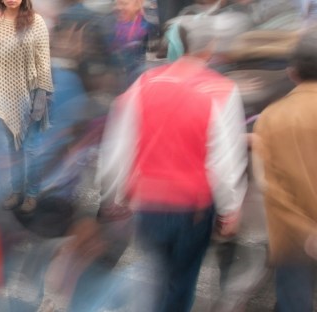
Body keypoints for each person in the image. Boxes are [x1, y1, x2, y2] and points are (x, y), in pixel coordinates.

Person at [97, 17, 248, 312]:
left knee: (153, 276)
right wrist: (230, 209)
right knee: (181, 281)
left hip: (149, 203)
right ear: (211, 47)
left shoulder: (144, 82)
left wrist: (112, 194)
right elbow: (225, 159)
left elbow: (118, 145)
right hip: (192, 208)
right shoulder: (222, 90)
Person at [252, 31, 317, 312]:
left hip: (294, 242)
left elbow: (269, 185)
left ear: (292, 73)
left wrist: (307, 231)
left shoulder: (271, 117)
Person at [0, 0, 53, 211]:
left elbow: (43, 62)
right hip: (3, 95)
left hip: (30, 95)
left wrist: (40, 99)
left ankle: (32, 194)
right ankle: (16, 191)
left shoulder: (36, 22)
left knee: (31, 149)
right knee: (13, 147)